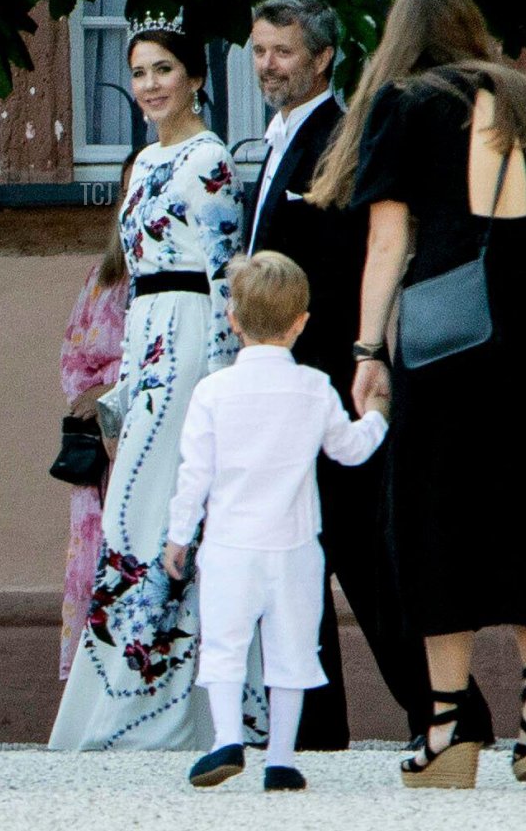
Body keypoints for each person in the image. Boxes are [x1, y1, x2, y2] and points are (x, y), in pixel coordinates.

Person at [308, 0, 526, 787]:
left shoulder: (405, 105)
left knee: (432, 515)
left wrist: (368, 350)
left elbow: (389, 241)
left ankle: (445, 726)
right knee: (525, 503)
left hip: (446, 330)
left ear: (406, 38)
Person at [49, 14, 261, 750]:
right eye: (137, 72)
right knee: (130, 521)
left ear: (196, 77)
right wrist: (122, 382)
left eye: (162, 70)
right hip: (145, 351)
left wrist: (223, 379)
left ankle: (163, 714)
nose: (147, 85)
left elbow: (224, 274)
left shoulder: (209, 161)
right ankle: (127, 703)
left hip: (191, 347)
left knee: (163, 516)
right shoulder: (140, 165)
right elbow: (134, 278)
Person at [246, 0, 429, 748]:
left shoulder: (342, 134)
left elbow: (359, 260)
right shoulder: (279, 134)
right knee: (299, 559)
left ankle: (444, 709)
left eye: (282, 51)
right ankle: (317, 726)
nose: (267, 66)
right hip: (287, 380)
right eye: (258, 51)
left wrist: (363, 359)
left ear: (323, 57)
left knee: (362, 552)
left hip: (326, 379)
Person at [163, 251, 389, 792]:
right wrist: (379, 417)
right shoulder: (313, 387)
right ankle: (282, 758)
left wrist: (178, 536)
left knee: (224, 646)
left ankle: (225, 739)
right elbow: (349, 450)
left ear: (233, 319)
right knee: (293, 651)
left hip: (228, 545)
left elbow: (194, 473)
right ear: (301, 322)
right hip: (294, 548)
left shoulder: (212, 392)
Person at [56, 153, 135, 679]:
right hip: (96, 460)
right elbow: (72, 354)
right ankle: (94, 689)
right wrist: (89, 397)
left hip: (147, 438)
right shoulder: (103, 275)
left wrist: (115, 392)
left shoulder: (187, 272)